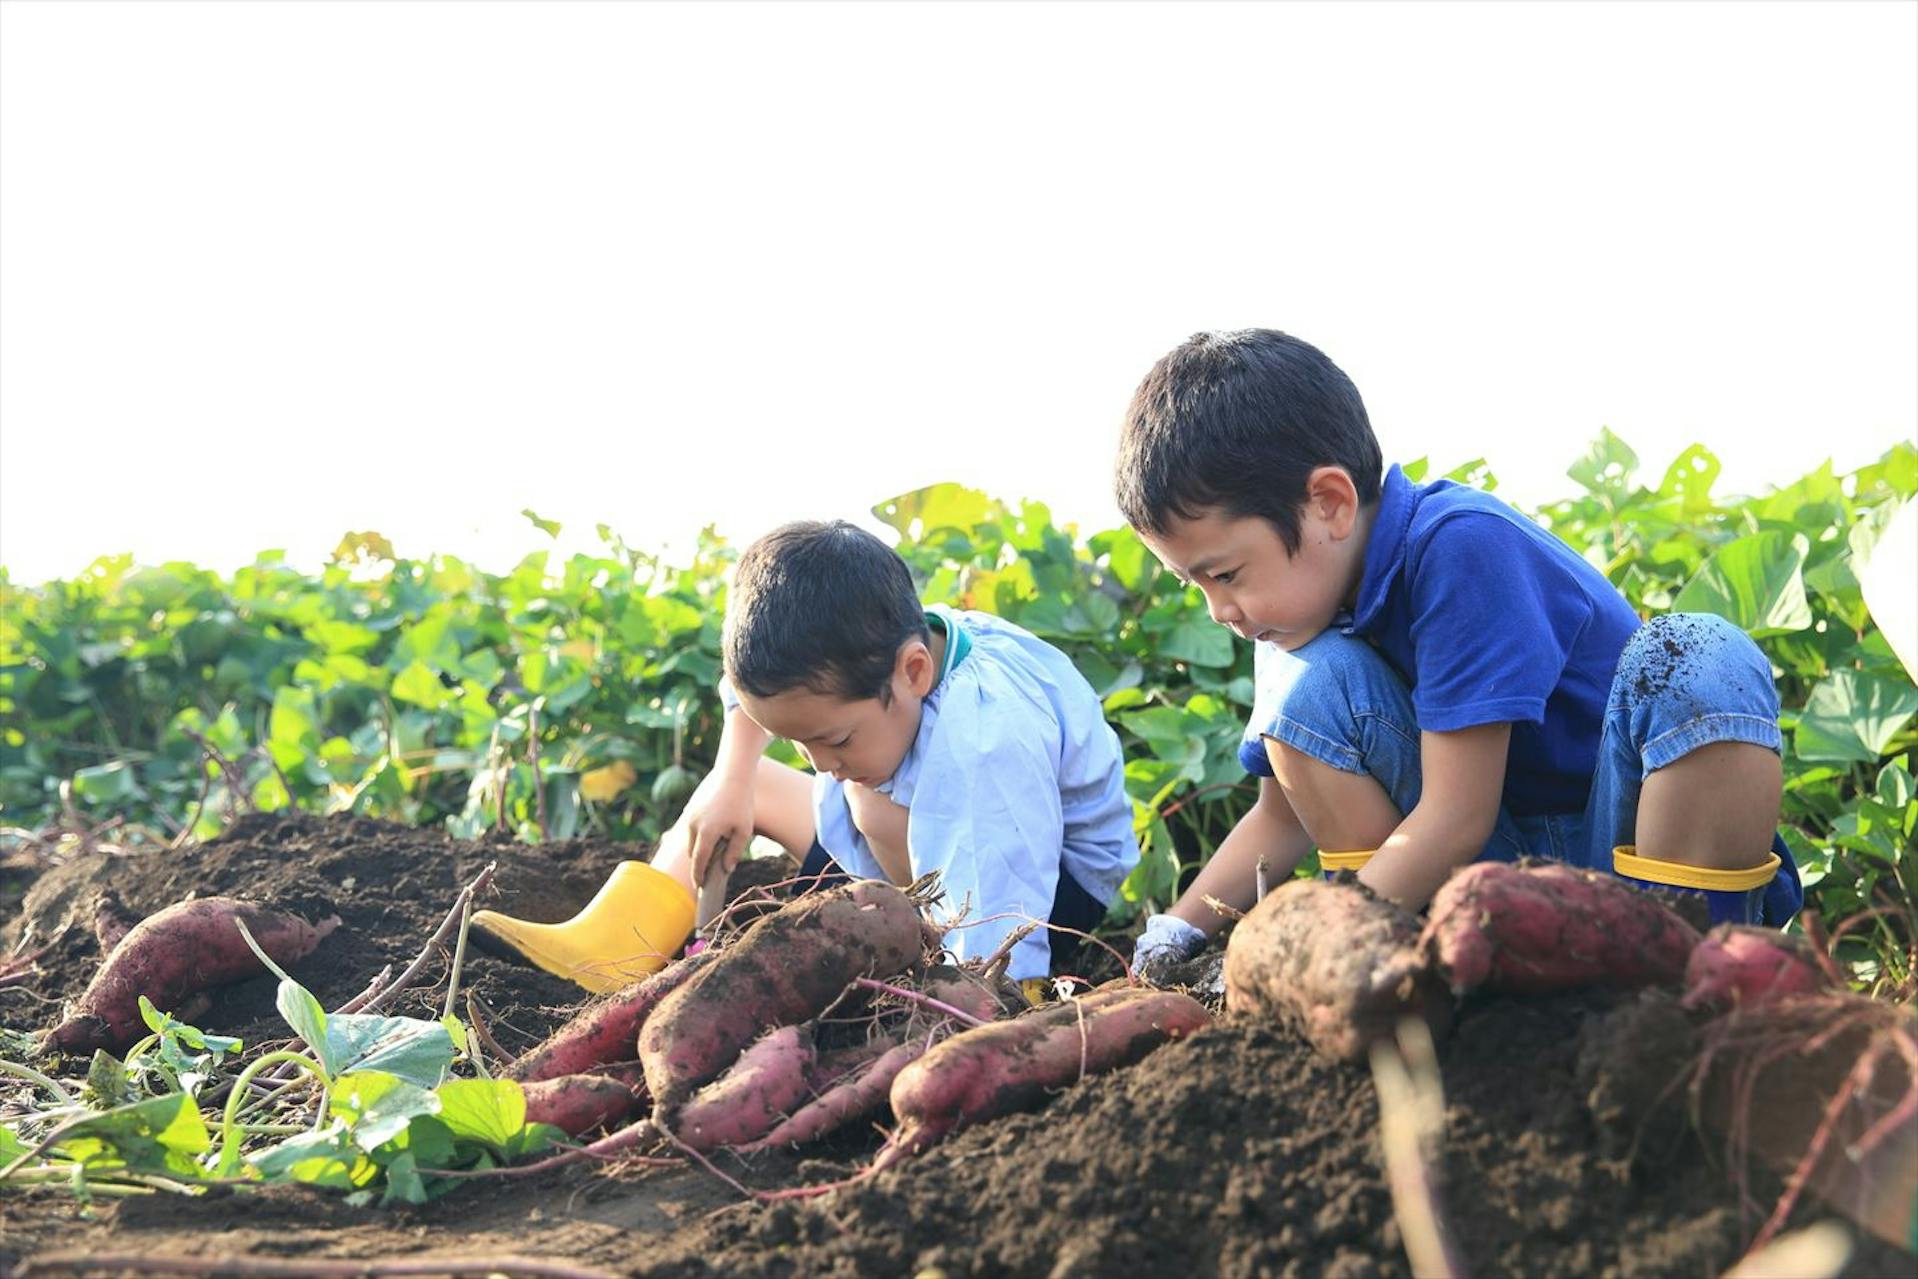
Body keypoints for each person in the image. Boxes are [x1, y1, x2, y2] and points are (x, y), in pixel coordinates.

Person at [1118, 329, 1803, 977]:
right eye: (1195, 585)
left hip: (1622, 852)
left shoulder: (1459, 546)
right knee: (1310, 688)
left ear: (1329, 503)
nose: (1219, 611)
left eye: (1225, 574)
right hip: (1486, 885)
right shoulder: (1293, 620)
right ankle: (1422, 978)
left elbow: (1456, 814)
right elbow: (1279, 814)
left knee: (1698, 653)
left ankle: (1696, 974)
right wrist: (1176, 932)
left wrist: (1322, 944)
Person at [654, 519, 1140, 996]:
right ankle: (623, 953)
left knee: (866, 801)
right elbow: (751, 697)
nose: (821, 764)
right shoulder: (884, 642)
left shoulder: (986, 742)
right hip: (936, 845)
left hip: (1045, 890)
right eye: (799, 744)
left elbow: (1001, 904)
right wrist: (731, 778)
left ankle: (908, 941)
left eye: (837, 740)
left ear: (914, 672)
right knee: (740, 786)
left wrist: (983, 990)